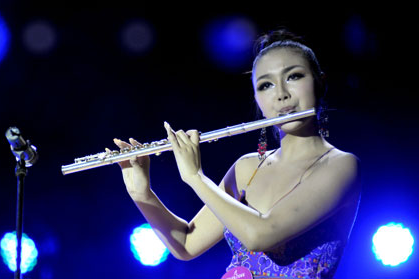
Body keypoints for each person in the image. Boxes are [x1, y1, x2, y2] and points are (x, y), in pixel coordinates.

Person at [112, 29, 361, 279]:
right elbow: (187, 244)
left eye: (294, 76)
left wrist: (196, 178)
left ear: (321, 82)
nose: (281, 93)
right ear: (258, 100)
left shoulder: (341, 167)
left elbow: (260, 235)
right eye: (266, 85)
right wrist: (142, 194)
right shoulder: (247, 168)